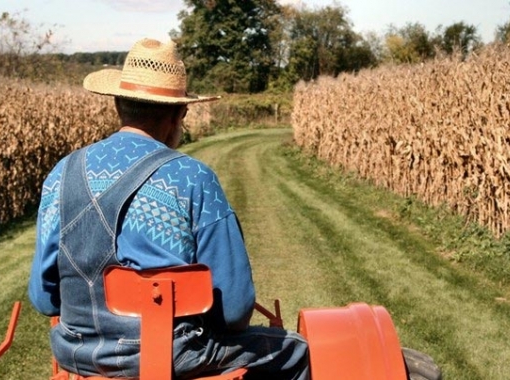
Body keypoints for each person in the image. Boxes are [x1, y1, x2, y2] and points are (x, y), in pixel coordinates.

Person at [28, 38, 310, 380]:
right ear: (181, 113)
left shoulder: (61, 174)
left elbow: (45, 300)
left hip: (78, 354)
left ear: (118, 104)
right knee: (297, 351)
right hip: (173, 356)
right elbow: (235, 310)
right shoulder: (192, 178)